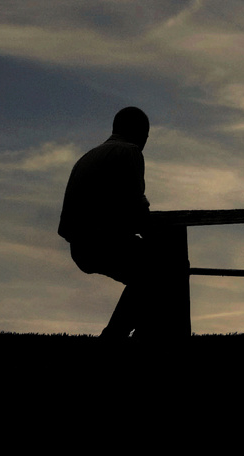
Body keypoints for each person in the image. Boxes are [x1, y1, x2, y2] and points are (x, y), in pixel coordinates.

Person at [59, 106, 158, 338]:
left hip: (80, 246)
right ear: (140, 132)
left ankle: (127, 332)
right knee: (162, 268)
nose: (145, 141)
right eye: (146, 135)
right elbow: (136, 207)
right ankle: (116, 335)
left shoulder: (88, 156)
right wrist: (156, 238)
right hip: (103, 242)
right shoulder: (129, 152)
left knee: (148, 276)